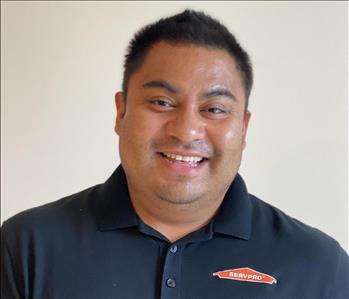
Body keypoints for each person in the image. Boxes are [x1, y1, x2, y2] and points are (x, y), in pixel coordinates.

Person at [1, 9, 348, 299]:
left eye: (214, 109)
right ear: (121, 113)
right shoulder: (27, 248)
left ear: (243, 128)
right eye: (162, 102)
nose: (186, 131)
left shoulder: (319, 267)